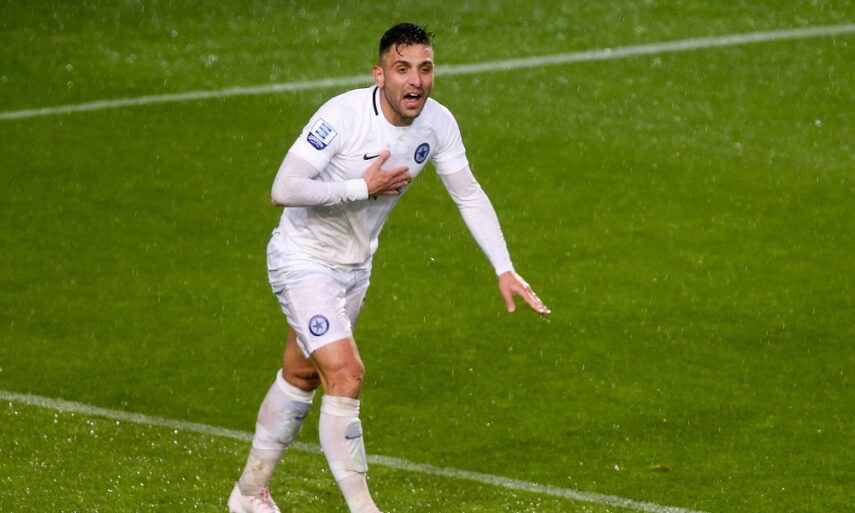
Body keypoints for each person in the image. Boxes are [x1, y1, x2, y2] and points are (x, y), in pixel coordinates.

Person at [228, 22, 550, 513]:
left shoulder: (438, 123)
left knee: (302, 374)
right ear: (379, 75)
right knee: (347, 375)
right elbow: (284, 188)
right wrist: (362, 187)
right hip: (302, 260)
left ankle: (249, 494)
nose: (415, 81)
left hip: (355, 268)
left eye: (425, 68)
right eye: (402, 69)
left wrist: (504, 267)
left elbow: (467, 192)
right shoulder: (342, 116)